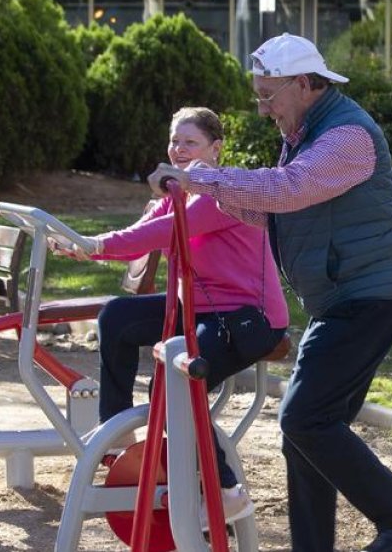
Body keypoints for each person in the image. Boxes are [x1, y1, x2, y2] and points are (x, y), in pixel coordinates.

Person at [149, 34, 392, 552]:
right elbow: (273, 210)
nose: (263, 109)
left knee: (304, 419)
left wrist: (204, 180)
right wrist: (207, 191)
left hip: (367, 300)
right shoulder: (306, 132)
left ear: (306, 84)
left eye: (268, 96)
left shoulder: (348, 136)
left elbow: (289, 188)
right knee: (306, 434)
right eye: (259, 96)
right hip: (339, 302)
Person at [53, 106, 290, 527]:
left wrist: (97, 244)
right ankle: (117, 433)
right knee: (116, 318)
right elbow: (140, 235)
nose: (179, 150)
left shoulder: (221, 194)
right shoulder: (175, 194)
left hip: (245, 318)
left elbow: (162, 233)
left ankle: (227, 490)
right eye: (174, 141)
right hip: (198, 309)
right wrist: (82, 246)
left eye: (190, 142)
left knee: (175, 382)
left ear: (215, 149)